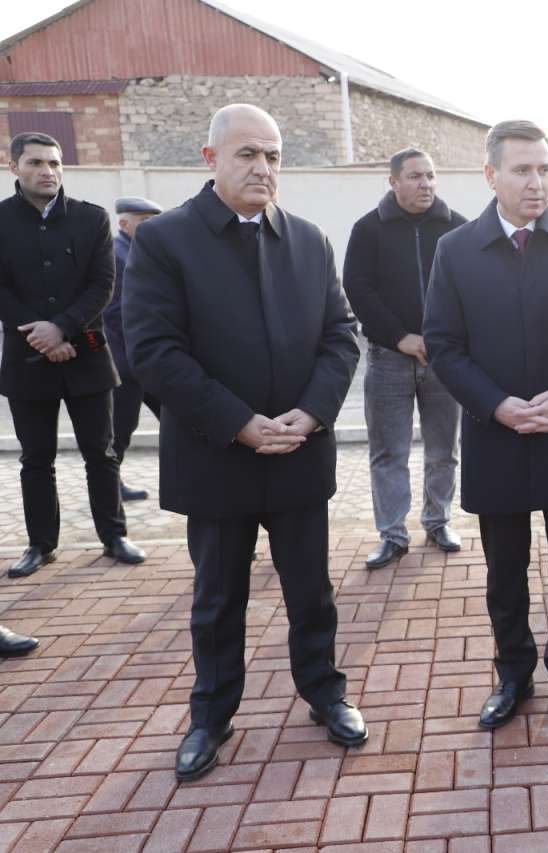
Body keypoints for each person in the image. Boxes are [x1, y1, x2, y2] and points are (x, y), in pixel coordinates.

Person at [124, 104, 367, 782]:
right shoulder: (164, 240)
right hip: (216, 455)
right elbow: (152, 349)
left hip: (298, 452)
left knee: (312, 591)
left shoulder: (309, 240)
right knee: (217, 599)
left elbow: (340, 336)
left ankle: (325, 692)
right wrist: (237, 421)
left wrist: (311, 414)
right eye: (247, 154)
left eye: (273, 156)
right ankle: (211, 715)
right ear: (211, 159)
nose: (263, 168)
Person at [425, 120, 548, 732]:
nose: (536, 182)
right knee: (504, 571)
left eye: (544, 168)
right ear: (491, 175)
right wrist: (497, 406)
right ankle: (513, 673)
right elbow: (443, 345)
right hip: (498, 434)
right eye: (522, 170)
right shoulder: (456, 250)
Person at [0, 132, 146, 579]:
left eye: (55, 163)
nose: (48, 171)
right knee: (35, 459)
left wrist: (61, 328)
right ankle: (41, 544)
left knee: (101, 453)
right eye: (36, 163)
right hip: (25, 358)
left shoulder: (91, 218)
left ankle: (114, 536)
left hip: (87, 353)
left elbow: (103, 285)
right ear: (14, 168)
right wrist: (41, 335)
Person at [344, 147, 467, 569]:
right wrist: (401, 338)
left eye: (430, 175)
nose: (425, 184)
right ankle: (393, 535)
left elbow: (468, 288)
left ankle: (438, 521)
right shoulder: (368, 229)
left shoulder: (456, 227)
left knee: (443, 450)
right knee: (388, 454)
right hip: (388, 359)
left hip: (442, 360)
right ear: (393, 182)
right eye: (415, 176)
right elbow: (358, 290)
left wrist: (443, 339)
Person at [104, 196, 164, 502]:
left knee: (177, 419)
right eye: (144, 222)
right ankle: (109, 489)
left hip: (150, 361)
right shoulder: (116, 255)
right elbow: (115, 313)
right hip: (127, 362)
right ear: (124, 224)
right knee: (121, 429)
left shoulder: (142, 252)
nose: (151, 227)